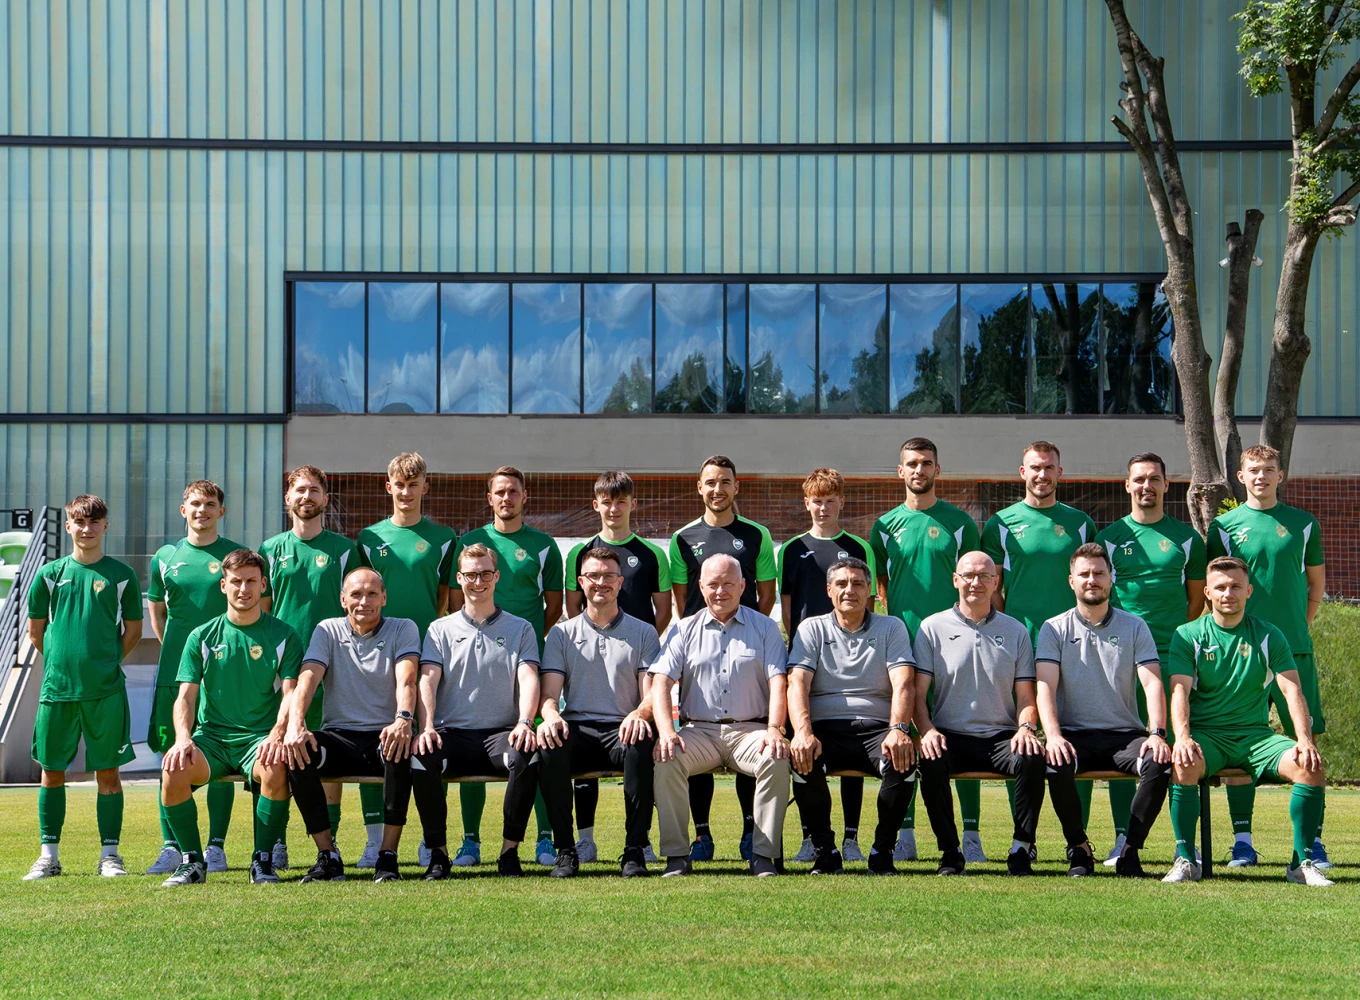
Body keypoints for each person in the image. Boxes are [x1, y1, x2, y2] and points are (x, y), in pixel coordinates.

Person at [1161, 557, 1331, 886]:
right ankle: (1186, 859)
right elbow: (1178, 690)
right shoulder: (1188, 634)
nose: (1229, 593)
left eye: (1236, 586)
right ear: (1207, 592)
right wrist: (1182, 737)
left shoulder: (1269, 634)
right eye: (1221, 587)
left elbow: (1292, 689)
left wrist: (1304, 740)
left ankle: (1301, 863)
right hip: (1209, 737)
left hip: (1257, 738)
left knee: (1309, 765)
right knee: (1183, 761)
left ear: (1249, 591)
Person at [157, 549, 315, 886]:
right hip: (212, 739)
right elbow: (185, 697)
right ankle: (192, 862)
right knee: (173, 768)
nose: (244, 589)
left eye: (251, 581)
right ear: (223, 585)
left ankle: (262, 861)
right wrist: (183, 738)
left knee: (276, 764)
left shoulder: (284, 635)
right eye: (236, 581)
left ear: (263, 585)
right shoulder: (202, 636)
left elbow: (291, 693)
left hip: (258, 739)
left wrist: (277, 734)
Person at [1207, 444, 1329, 868]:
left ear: (1281, 475)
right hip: (1242, 653)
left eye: (1269, 469)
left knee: (1307, 743)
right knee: (1241, 737)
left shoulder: (1304, 524)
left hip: (1293, 648)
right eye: (1254, 470)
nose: (1262, 476)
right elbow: (1216, 588)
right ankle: (1242, 841)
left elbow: (1315, 586)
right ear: (1241, 476)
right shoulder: (1223, 526)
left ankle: (1313, 844)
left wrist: (1292, 631)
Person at [980, 441, 1100, 858]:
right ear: (1022, 472)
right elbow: (993, 589)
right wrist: (1008, 630)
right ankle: (1018, 838)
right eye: (1035, 467)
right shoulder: (1000, 523)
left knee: (1074, 736)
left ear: (1060, 473)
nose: (1042, 475)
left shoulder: (1081, 523)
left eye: (1049, 468)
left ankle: (1078, 838)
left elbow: (1091, 579)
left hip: (1073, 646)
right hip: (1021, 645)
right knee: (1022, 741)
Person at [870, 437, 983, 863]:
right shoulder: (884, 526)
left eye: (927, 463)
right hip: (903, 646)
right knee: (907, 734)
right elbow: (882, 587)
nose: (920, 470)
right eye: (912, 463)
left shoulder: (961, 523)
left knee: (962, 729)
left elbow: (975, 581)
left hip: (955, 644)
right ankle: (906, 833)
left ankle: (970, 834)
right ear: (900, 471)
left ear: (938, 469)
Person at [1035, 544, 1173, 878]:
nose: (1092, 579)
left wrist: (1157, 733)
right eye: (1084, 574)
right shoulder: (1053, 628)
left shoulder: (1135, 626)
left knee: (1159, 761)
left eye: (1099, 573)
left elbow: (1153, 682)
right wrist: (1053, 736)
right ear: (1071, 581)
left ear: (1111, 578)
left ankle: (1130, 851)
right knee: (1054, 759)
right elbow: (1045, 686)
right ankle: (1079, 849)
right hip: (1074, 736)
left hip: (1125, 736)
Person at [23, 495, 143, 880]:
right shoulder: (48, 574)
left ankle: (110, 856)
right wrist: (62, 663)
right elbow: (36, 632)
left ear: (105, 526)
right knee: (51, 772)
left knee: (107, 773)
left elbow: (133, 631)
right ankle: (48, 857)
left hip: (106, 691)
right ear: (68, 526)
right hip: (57, 691)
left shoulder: (121, 575)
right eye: (79, 522)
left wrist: (105, 663)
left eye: (94, 522)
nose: (86, 529)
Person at [650, 554, 791, 877]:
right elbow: (661, 683)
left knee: (775, 757)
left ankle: (763, 855)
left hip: (751, 731)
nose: (720, 591)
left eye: (728, 583)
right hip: (698, 732)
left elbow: (778, 681)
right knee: (667, 758)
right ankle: (676, 855)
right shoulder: (683, 630)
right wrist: (667, 732)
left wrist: (775, 729)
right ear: (700, 587)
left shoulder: (765, 627)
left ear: (742, 586)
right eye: (713, 584)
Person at [1096, 452, 1205, 866]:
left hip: (1172, 657)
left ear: (1166, 484)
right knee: (1126, 744)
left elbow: (1195, 600)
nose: (1146, 485)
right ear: (1127, 485)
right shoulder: (1109, 537)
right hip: (1120, 657)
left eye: (1154, 478)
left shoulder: (1187, 538)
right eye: (1139, 479)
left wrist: (1171, 639)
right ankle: (1122, 839)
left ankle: (1184, 844)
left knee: (1178, 749)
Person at [912, 551, 1050, 876]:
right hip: (949, 736)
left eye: (985, 576)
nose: (976, 582)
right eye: (969, 575)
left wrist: (1027, 728)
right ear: (955, 580)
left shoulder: (1015, 631)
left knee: (1032, 756)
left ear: (996, 582)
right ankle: (950, 852)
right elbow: (917, 694)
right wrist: (927, 730)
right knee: (929, 759)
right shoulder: (931, 628)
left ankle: (1021, 848)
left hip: (1002, 738)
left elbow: (1026, 696)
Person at [669, 456, 777, 862]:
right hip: (700, 648)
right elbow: (682, 599)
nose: (718, 489)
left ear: (736, 487)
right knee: (697, 729)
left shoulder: (756, 535)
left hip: (746, 644)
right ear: (700, 487)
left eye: (725, 482)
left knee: (750, 727)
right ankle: (702, 834)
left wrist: (748, 635)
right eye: (710, 482)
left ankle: (752, 831)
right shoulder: (683, 538)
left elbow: (766, 596)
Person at [411, 544, 543, 878]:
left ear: (496, 577)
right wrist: (426, 727)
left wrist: (525, 722)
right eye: (471, 575)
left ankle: (509, 853)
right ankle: (438, 854)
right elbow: (427, 679)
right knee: (421, 755)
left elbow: (529, 677)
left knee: (528, 753)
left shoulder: (521, 628)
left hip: (501, 735)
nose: (478, 581)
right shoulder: (440, 629)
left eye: (485, 573)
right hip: (452, 734)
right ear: (459, 578)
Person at [282, 568, 422, 883]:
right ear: (343, 599)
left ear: (384, 597)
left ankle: (387, 856)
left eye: (372, 594)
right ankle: (328, 855)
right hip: (339, 737)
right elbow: (308, 678)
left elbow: (408, 679)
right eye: (356, 594)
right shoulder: (327, 630)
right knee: (297, 752)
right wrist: (295, 724)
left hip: (384, 735)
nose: (364, 601)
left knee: (400, 748)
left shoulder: (403, 628)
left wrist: (403, 718)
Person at [454, 465, 564, 867]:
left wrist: (524, 640)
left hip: (528, 659)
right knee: (473, 738)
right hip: (479, 661)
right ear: (490, 498)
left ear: (524, 497)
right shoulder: (471, 542)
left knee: (539, 743)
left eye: (513, 491)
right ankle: (470, 841)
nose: (506, 498)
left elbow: (553, 605)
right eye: (499, 492)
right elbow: (458, 599)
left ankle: (545, 839)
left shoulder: (543, 545)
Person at [561, 470, 670, 863]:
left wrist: (636, 642)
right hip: (592, 658)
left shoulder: (652, 554)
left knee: (641, 744)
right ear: (596, 505)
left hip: (636, 658)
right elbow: (573, 609)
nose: (613, 508)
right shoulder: (579, 552)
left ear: (632, 504)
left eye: (620, 501)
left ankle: (640, 840)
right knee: (582, 736)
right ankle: (585, 839)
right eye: (606, 502)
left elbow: (663, 611)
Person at [356, 451, 457, 868]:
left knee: (430, 742)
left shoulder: (444, 537)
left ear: (424, 487)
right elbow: (360, 593)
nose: (406, 491)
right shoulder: (368, 538)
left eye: (413, 484)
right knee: (379, 738)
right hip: (379, 652)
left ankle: (432, 839)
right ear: (389, 487)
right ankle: (374, 838)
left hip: (428, 652)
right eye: (399, 484)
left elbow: (444, 599)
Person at [259, 464, 363, 868]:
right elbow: (263, 612)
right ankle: (278, 842)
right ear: (288, 498)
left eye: (314, 490)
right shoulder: (270, 549)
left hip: (334, 667)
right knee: (282, 752)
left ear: (325, 498)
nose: (307, 497)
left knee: (327, 752)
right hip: (284, 670)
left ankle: (329, 842)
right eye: (300, 490)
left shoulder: (344, 549)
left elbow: (355, 606)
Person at [787, 557, 916, 876]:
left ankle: (882, 851)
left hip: (877, 730)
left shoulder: (891, 627)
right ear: (829, 590)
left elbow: (904, 681)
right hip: (825, 730)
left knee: (903, 759)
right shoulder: (812, 628)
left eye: (858, 583)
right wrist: (802, 732)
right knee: (802, 757)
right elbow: (797, 682)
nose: (850, 590)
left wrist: (899, 729)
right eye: (842, 583)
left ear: (870, 589)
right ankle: (825, 852)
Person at [144, 480, 248, 876]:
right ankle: (171, 846)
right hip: (176, 674)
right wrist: (180, 652)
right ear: (182, 509)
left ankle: (216, 847)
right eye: (194, 503)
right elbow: (158, 612)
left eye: (209, 504)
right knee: (171, 756)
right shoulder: (165, 557)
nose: (201, 510)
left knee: (219, 757)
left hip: (223, 676)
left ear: (221, 511)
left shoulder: (235, 556)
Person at [537, 548, 661, 878]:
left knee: (642, 741)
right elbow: (548, 696)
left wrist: (639, 714)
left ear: (620, 582)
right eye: (593, 576)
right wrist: (551, 715)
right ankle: (566, 851)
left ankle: (634, 850)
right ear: (581, 582)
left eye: (608, 576)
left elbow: (651, 696)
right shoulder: (561, 634)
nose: (601, 582)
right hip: (577, 728)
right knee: (549, 745)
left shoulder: (644, 632)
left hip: (623, 727)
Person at [779, 468, 876, 865]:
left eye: (830, 500)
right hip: (807, 657)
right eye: (816, 501)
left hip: (851, 658)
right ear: (807, 503)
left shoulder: (857, 547)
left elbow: (868, 603)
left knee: (854, 742)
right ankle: (811, 836)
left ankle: (851, 837)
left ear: (841, 503)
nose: (823, 507)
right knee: (804, 744)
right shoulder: (792, 549)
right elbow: (788, 608)